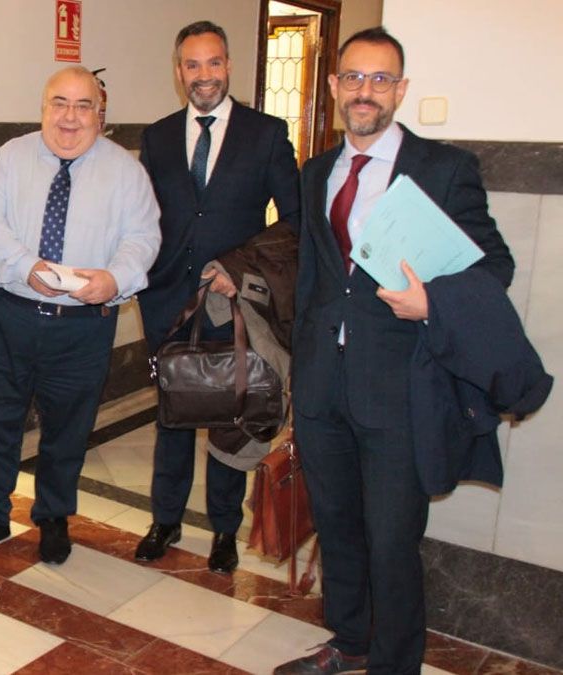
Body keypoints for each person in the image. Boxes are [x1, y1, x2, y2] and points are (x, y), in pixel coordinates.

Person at [276, 27, 514, 674]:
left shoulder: (445, 169)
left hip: (401, 393)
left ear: (401, 90)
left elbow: (494, 267)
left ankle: (393, 663)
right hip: (325, 387)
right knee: (338, 528)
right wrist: (302, 376)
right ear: (332, 86)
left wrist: (432, 303)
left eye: (381, 80)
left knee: (390, 542)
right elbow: (314, 281)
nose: (365, 91)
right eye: (353, 77)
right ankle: (349, 642)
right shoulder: (316, 171)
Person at [0, 66, 161, 565]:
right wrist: (26, 267)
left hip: (82, 327)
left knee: (69, 427)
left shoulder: (126, 171)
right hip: (8, 315)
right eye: (59, 103)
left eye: (83, 106)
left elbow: (143, 237)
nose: (70, 116)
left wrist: (114, 280)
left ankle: (53, 516)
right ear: (43, 108)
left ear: (100, 115)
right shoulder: (11, 157)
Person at [134, 20, 300, 574]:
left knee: (232, 409)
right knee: (173, 413)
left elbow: (296, 222)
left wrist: (238, 266)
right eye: (191, 65)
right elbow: (142, 218)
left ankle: (225, 528)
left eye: (213, 63)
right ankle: (165, 519)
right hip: (168, 302)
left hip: (234, 305)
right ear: (178, 71)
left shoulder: (266, 133)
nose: (203, 75)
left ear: (228, 65)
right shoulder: (157, 137)